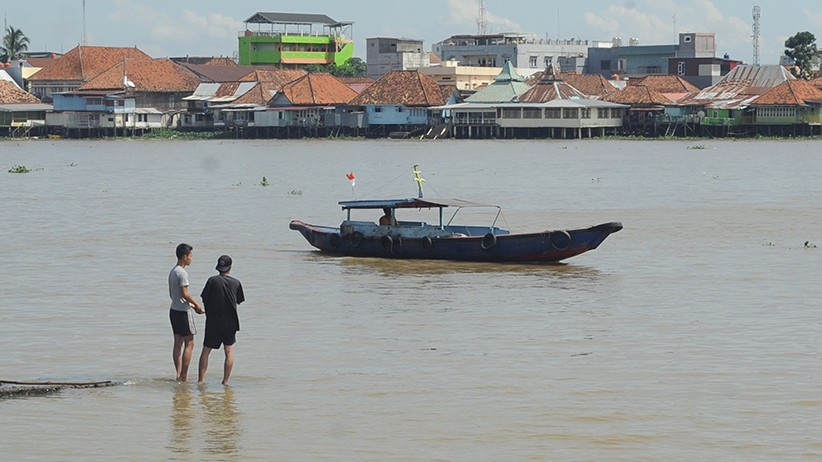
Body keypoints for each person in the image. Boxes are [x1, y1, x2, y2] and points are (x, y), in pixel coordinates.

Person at [198, 255, 245, 385]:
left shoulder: (212, 281)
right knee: (228, 350)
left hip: (213, 320)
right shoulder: (236, 282)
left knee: (206, 350)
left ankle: (201, 380)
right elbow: (239, 301)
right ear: (230, 267)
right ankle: (225, 381)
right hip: (231, 322)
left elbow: (204, 298)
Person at [169, 243, 204, 382]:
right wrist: (197, 305)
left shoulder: (173, 271)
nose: (191, 259)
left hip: (173, 310)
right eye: (190, 256)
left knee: (177, 343)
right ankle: (184, 375)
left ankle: (178, 374)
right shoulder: (182, 273)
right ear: (184, 257)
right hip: (183, 311)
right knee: (189, 343)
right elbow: (185, 293)